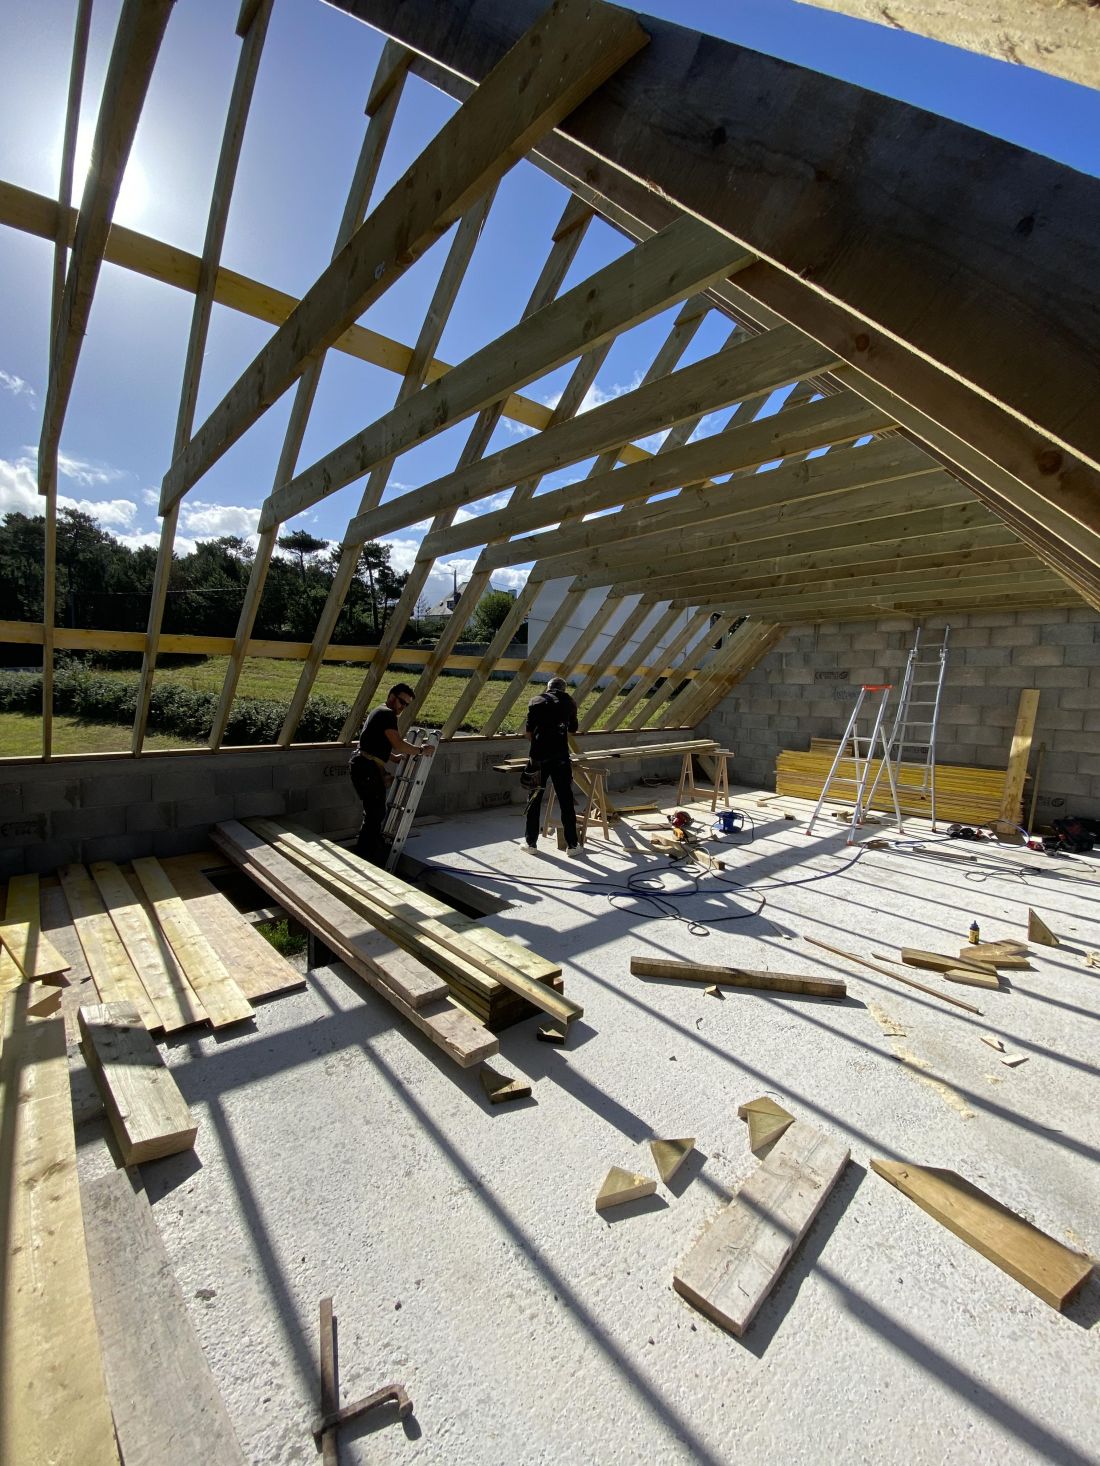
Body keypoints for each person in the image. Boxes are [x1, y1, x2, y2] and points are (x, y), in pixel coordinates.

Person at [348, 683, 432, 866]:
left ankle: (365, 853)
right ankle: (365, 856)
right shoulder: (387, 714)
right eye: (402, 701)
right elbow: (398, 743)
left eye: (407, 704)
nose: (403, 706)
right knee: (375, 813)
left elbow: (372, 742)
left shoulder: (379, 711)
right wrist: (420, 750)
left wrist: (393, 759)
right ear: (392, 696)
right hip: (366, 767)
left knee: (373, 812)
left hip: (363, 764)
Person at [523, 675, 582, 856]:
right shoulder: (569, 703)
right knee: (565, 800)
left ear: (548, 688)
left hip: (539, 759)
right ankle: (572, 846)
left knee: (534, 800)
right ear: (563, 689)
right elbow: (573, 729)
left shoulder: (535, 701)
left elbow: (528, 733)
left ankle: (531, 844)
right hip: (561, 759)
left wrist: (539, 745)